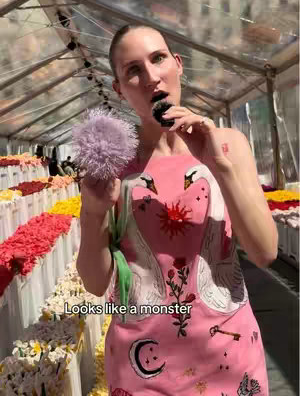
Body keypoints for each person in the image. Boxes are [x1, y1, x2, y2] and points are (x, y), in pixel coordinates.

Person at [77, 25, 278, 396]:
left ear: (178, 64)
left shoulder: (228, 144)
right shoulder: (112, 167)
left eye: (158, 59)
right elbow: (94, 281)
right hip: (143, 366)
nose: (151, 77)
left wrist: (220, 167)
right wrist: (92, 213)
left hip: (230, 356)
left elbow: (265, 252)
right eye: (133, 70)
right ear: (119, 88)